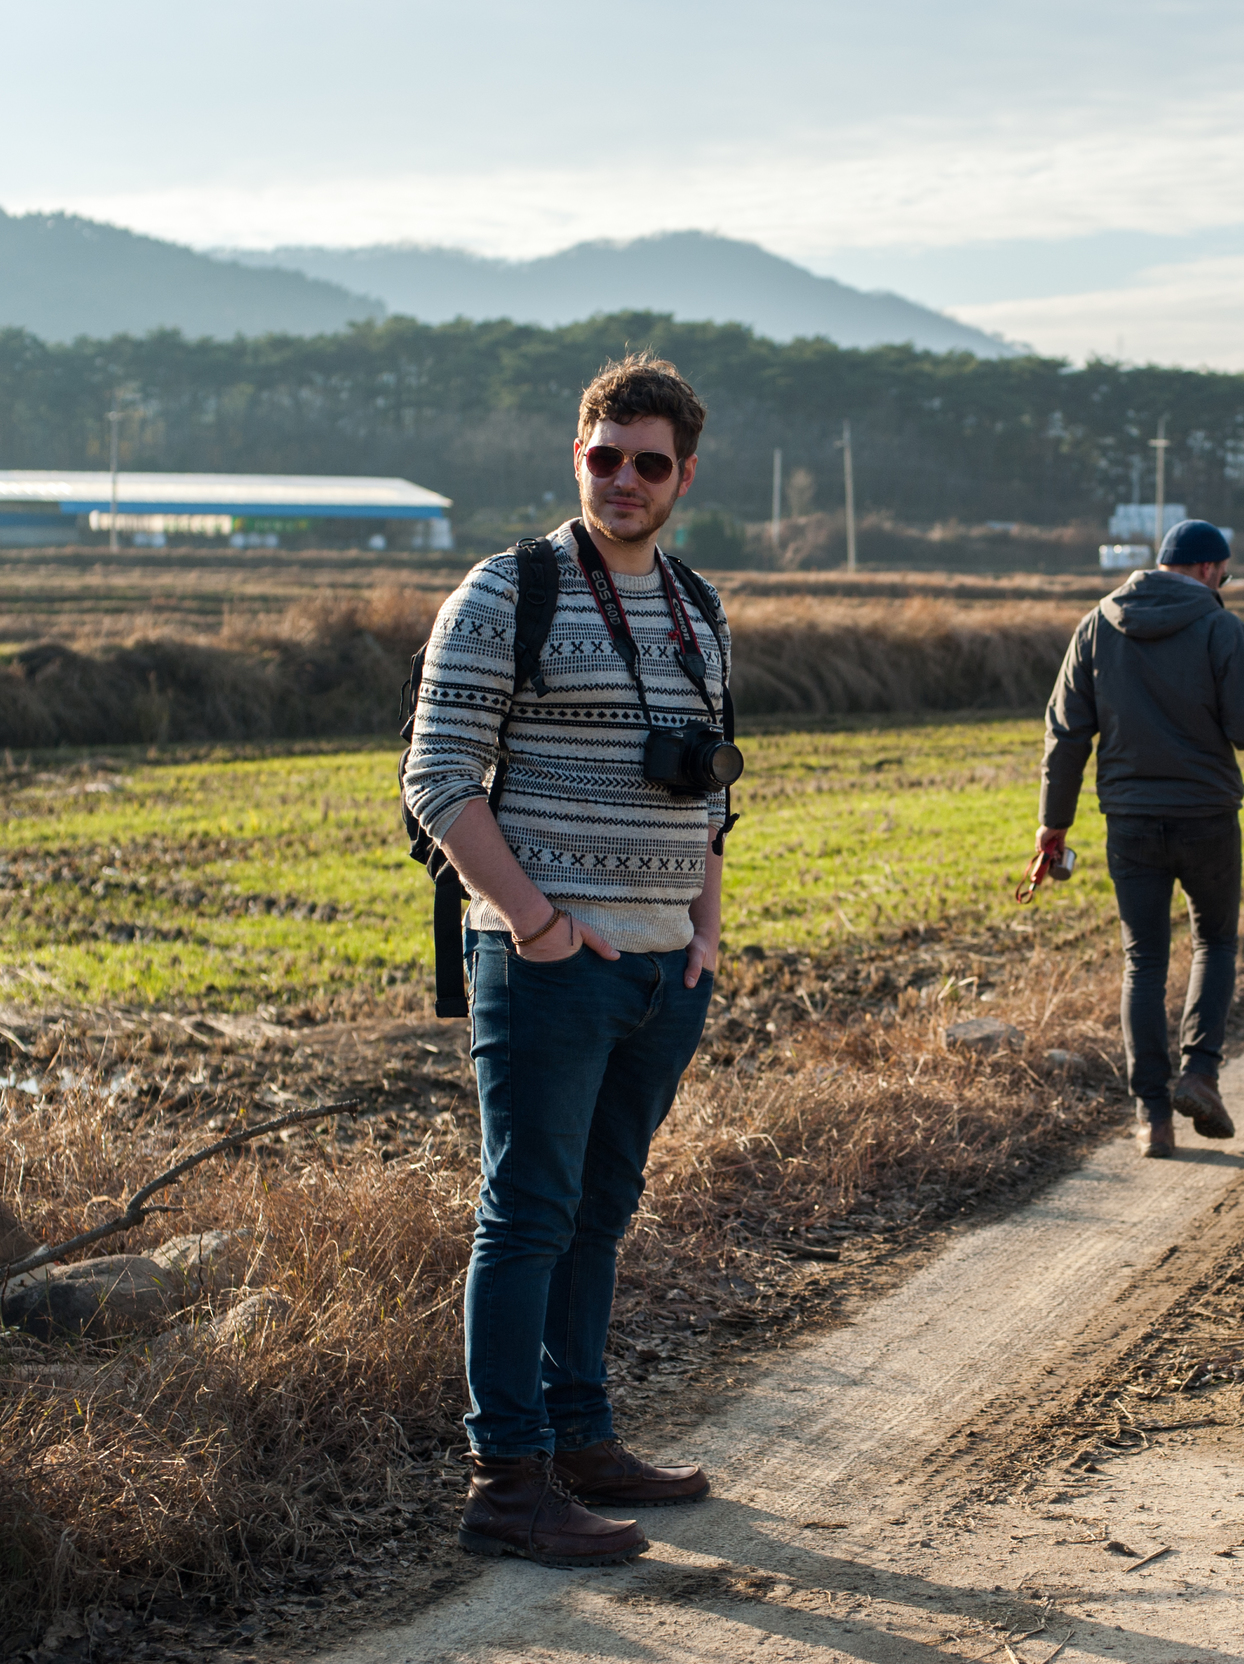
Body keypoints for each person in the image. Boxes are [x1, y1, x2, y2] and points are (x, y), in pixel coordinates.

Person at [402, 354, 730, 1568]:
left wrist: (705, 926)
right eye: (606, 456)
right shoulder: (507, 591)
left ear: (684, 475)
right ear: (575, 454)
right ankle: (508, 1480)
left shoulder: (697, 605)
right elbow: (438, 779)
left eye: (651, 462)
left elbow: (710, 790)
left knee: (599, 1210)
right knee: (527, 1215)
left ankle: (583, 1440)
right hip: (546, 965)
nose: (626, 479)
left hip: (661, 972)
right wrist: (539, 923)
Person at [1036, 519, 1244, 1158]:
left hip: (1130, 819)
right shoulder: (1222, 629)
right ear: (1208, 569)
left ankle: (1152, 1116)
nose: (1224, 583)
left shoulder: (1098, 623)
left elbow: (1066, 732)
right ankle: (1199, 1073)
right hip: (1206, 814)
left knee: (1143, 959)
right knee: (1215, 942)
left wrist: (1052, 823)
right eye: (1225, 573)